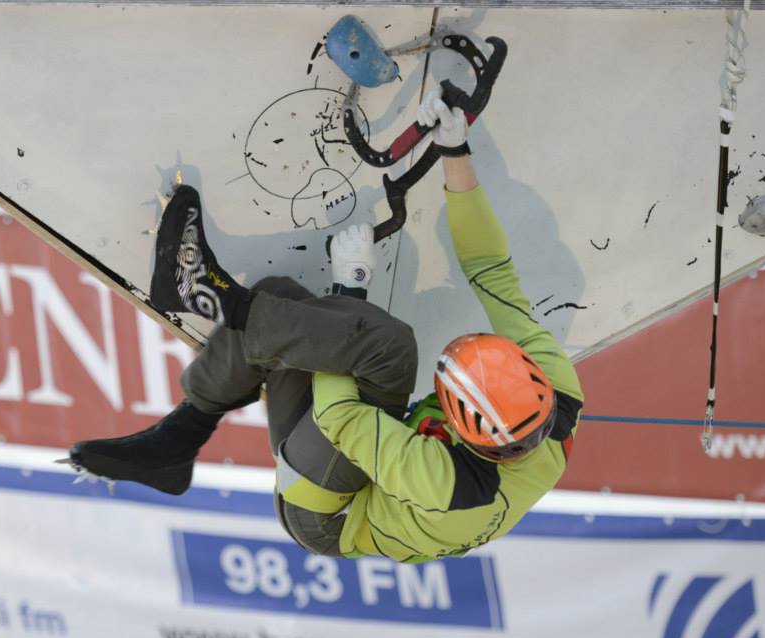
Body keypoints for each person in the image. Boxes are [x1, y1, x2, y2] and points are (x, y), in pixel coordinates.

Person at [70, 86, 584, 561]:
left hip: (325, 513)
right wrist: (456, 151)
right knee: (280, 304)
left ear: (461, 431)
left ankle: (215, 298)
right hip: (364, 472)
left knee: (387, 348)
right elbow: (491, 267)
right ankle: (178, 440)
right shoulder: (558, 392)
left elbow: (338, 414)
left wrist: (351, 287)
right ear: (532, 375)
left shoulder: (442, 479)